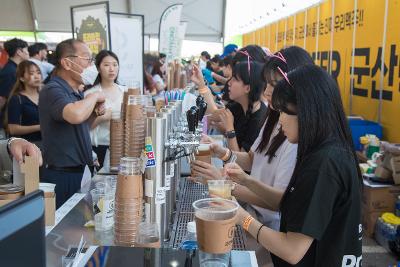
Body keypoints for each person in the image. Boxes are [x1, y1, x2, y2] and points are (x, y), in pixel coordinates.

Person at [226, 64, 362, 266]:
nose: (280, 121)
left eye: (284, 112)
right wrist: (245, 180)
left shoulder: (323, 164)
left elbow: (292, 250)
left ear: (308, 112)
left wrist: (243, 218)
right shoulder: (328, 150)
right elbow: (288, 202)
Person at [192, 46, 314, 232]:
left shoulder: (295, 136)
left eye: (274, 85)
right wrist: (221, 151)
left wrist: (225, 185)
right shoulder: (273, 118)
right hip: (250, 212)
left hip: (267, 227)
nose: (267, 93)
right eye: (266, 84)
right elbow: (251, 159)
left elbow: (279, 201)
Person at [39, 39, 106, 208]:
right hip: (62, 175)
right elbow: (75, 115)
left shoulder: (74, 92)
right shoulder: (53, 89)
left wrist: (94, 114)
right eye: (87, 59)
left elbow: (81, 126)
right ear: (67, 63)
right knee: (64, 230)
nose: (92, 65)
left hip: (81, 171)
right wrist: (93, 97)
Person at [84, 50, 124, 168]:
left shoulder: (126, 91)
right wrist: (104, 117)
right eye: (106, 65)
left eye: (115, 64)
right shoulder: (90, 94)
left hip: (122, 146)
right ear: (98, 68)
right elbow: (85, 126)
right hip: (99, 148)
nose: (111, 69)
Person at [5, 60, 42, 144]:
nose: (37, 77)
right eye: (31, 73)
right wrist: (40, 127)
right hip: (27, 147)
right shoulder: (17, 99)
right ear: (21, 78)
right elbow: (13, 129)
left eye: (38, 72)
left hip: (49, 145)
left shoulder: (45, 96)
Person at [0, 38, 29, 111]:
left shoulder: (16, 69)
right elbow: (3, 99)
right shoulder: (10, 72)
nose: (28, 53)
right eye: (26, 50)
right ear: (19, 52)